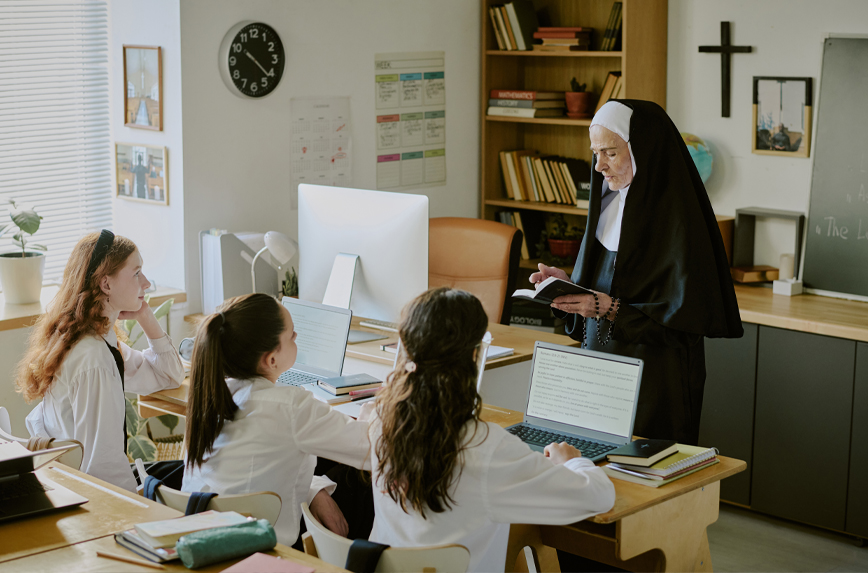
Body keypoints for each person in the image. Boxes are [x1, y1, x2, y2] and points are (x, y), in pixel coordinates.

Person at [531, 100, 743, 446]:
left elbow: (683, 325)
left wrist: (608, 308)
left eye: (610, 153)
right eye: (595, 153)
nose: (599, 166)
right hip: (599, 373)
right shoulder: (606, 206)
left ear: (644, 151)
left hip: (657, 381)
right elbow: (598, 294)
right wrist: (566, 287)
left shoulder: (680, 223)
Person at [367, 287, 615, 573]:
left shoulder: (381, 421)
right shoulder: (487, 447)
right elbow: (599, 495)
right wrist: (572, 460)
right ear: (475, 356)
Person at [182, 293, 371, 547]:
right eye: (292, 336)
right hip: (256, 551)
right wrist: (377, 406)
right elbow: (373, 449)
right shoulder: (291, 406)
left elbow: (260, 465)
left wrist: (314, 490)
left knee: (330, 469)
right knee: (358, 479)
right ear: (271, 360)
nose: (297, 339)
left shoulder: (213, 397)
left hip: (205, 542)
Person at [19, 230, 184, 491]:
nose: (147, 284)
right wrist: (139, 510)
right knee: (192, 475)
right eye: (137, 273)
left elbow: (169, 374)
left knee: (183, 470)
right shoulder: (94, 359)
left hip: (74, 482)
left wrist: (145, 316)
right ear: (106, 285)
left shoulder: (87, 339)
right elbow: (102, 466)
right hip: (95, 495)